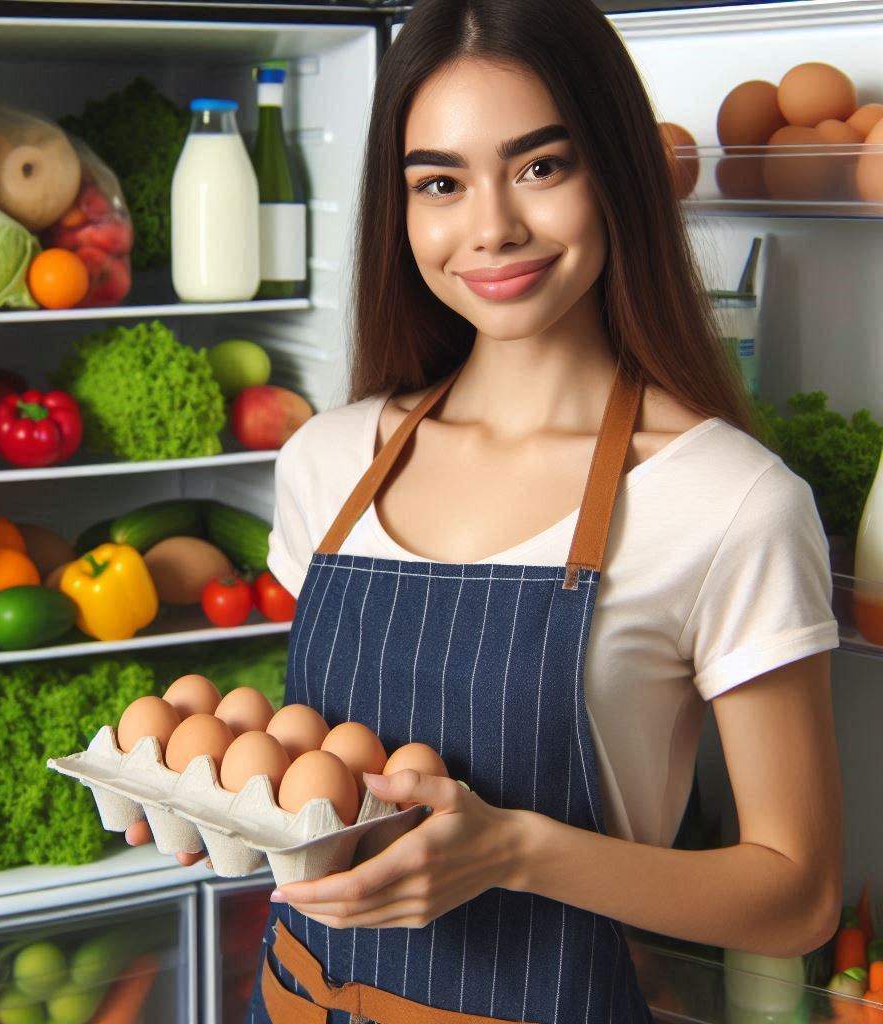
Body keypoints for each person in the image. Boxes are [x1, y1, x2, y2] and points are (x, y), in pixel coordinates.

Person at [130, 0, 843, 1018]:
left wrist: (515, 850)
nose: (491, 227)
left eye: (540, 166)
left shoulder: (726, 501)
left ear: (614, 175)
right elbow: (324, 771)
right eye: (440, 182)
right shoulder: (327, 462)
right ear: (401, 205)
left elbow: (799, 893)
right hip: (289, 998)